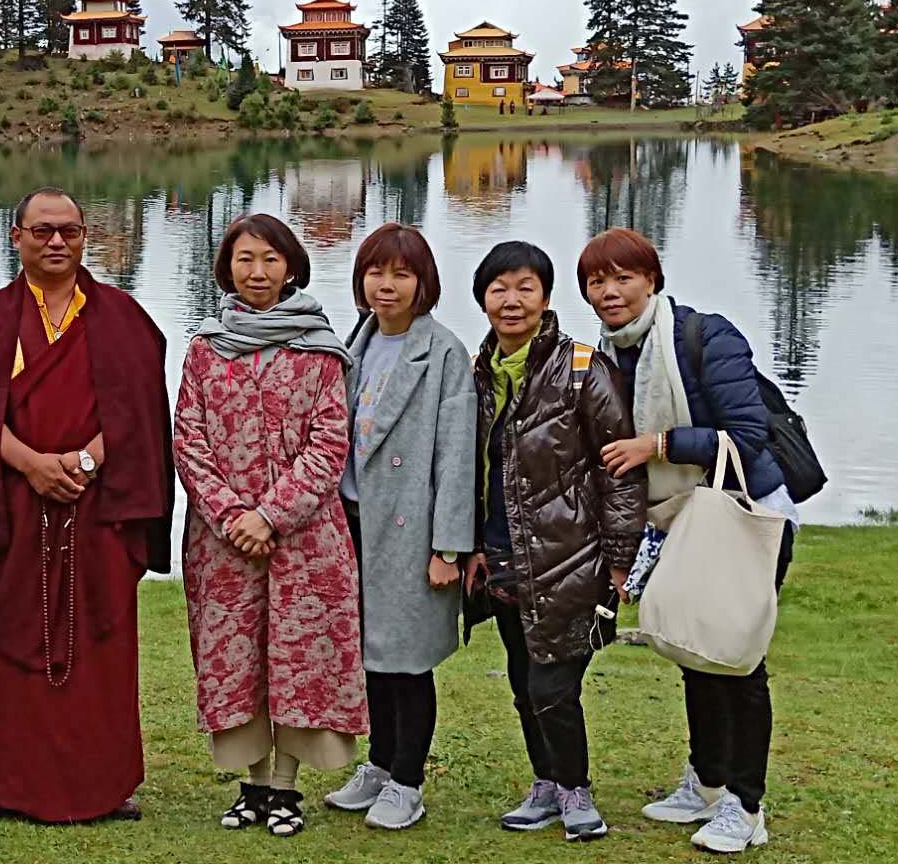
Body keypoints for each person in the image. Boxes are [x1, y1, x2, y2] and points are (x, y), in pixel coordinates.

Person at [0, 186, 175, 824]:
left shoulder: (123, 317)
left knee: (104, 643)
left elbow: (141, 410)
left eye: (69, 229)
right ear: (16, 237)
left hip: (100, 507)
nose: (57, 241)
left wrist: (86, 463)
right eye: (42, 230)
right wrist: (31, 464)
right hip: (15, 504)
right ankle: (11, 784)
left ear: (85, 235)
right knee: (14, 639)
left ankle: (105, 784)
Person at [579, 227, 796, 855]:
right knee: (694, 648)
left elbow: (746, 435)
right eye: (597, 281)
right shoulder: (607, 354)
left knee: (736, 657)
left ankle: (745, 807)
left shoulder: (705, 337)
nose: (610, 291)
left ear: (651, 280)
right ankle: (706, 780)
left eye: (623, 278)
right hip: (676, 517)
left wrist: (659, 444)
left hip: (741, 513)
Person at [172, 214, 365, 838]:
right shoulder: (205, 348)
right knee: (236, 659)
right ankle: (251, 785)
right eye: (245, 259)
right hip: (222, 542)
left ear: (291, 268)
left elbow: (328, 445)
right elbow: (189, 441)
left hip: (305, 539)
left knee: (299, 658)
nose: (257, 272)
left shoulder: (319, 350)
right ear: (227, 267)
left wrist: (269, 515)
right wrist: (233, 516)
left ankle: (286, 787)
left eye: (270, 260)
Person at [468, 240, 646, 844]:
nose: (511, 301)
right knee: (524, 681)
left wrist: (620, 559)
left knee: (553, 685)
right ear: (483, 299)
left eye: (526, 288)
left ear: (546, 298)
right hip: (503, 555)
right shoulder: (480, 371)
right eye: (499, 289)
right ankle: (546, 784)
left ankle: (575, 789)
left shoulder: (581, 368)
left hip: (571, 557)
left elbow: (618, 471)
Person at [320, 223, 476, 831]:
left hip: (411, 529)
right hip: (353, 523)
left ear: (423, 282)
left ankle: (408, 781)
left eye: (401, 274)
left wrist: (448, 548)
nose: (387, 285)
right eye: (376, 272)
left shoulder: (443, 352)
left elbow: (456, 457)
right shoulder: (354, 345)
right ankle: (380, 764)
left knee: (408, 661)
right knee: (370, 655)